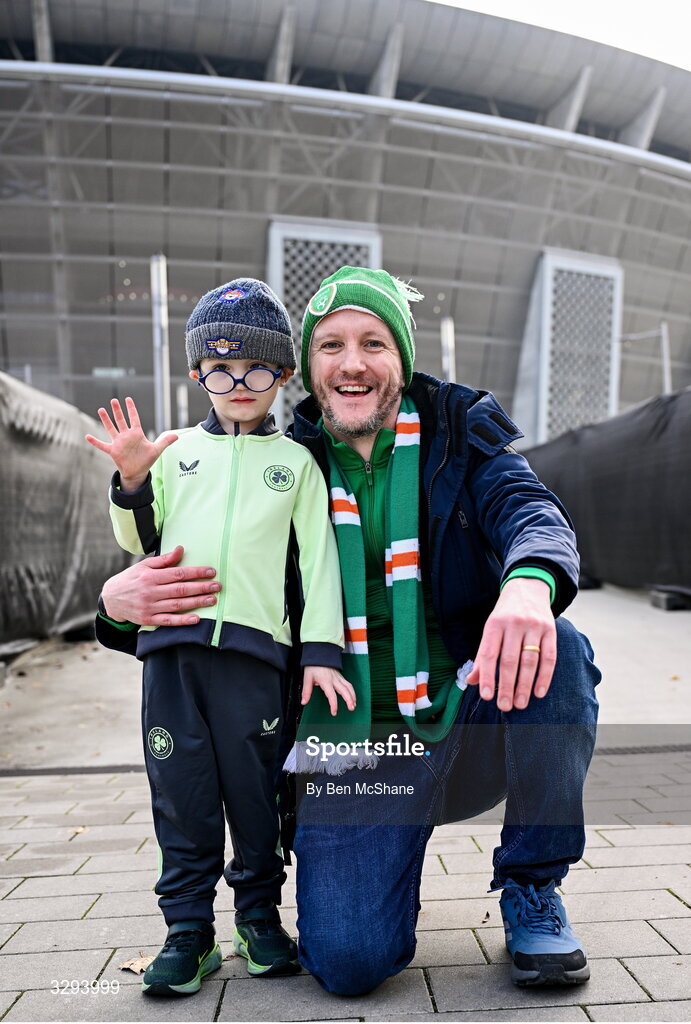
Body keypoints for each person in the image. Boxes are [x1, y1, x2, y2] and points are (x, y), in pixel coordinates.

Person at [96, 266, 600, 996]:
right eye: (331, 345)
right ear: (308, 366)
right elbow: (191, 565)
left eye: (373, 343)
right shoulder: (280, 457)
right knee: (348, 961)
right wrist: (115, 600)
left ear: (402, 355)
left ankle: (531, 885)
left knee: (558, 649)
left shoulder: (458, 430)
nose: (352, 362)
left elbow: (529, 509)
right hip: (354, 747)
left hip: (463, 716)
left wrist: (526, 586)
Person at [86, 278, 354, 998]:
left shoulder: (295, 466)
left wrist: (321, 653)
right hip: (171, 658)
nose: (239, 384)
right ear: (197, 372)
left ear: (284, 375)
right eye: (221, 369)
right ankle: (186, 932)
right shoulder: (173, 452)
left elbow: (318, 564)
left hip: (255, 660)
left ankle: (259, 917)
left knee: (254, 795)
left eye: (258, 369)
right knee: (182, 794)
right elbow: (139, 543)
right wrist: (134, 481)